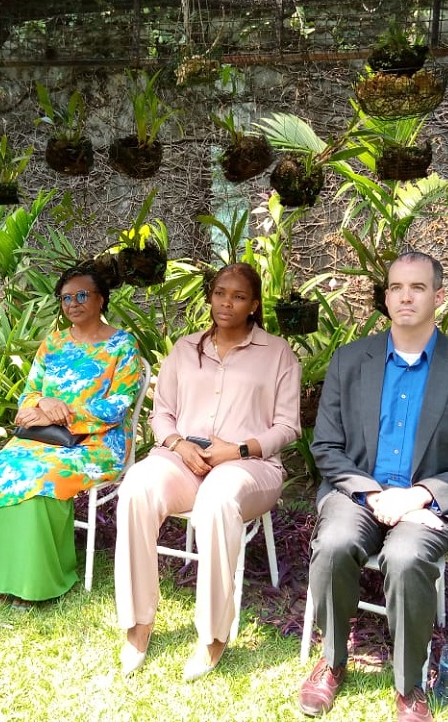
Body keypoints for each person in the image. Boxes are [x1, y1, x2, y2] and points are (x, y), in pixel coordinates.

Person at [297, 251, 448, 722]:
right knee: (333, 543)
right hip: (358, 493)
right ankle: (331, 660)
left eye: (418, 287)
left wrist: (418, 496)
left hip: (426, 501)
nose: (405, 297)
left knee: (407, 557)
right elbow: (325, 446)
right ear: (386, 297)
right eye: (396, 288)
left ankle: (409, 685)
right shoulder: (351, 361)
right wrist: (374, 496)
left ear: (440, 296)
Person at [115, 262, 301, 680]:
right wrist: (179, 444)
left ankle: (214, 634)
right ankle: (138, 621)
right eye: (220, 293)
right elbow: (161, 415)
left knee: (217, 499)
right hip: (185, 459)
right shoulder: (185, 349)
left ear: (254, 305)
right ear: (210, 296)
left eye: (238, 296)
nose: (226, 303)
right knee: (137, 487)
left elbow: (288, 426)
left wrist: (237, 449)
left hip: (250, 466)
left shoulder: (278, 354)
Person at [0, 262, 142, 606]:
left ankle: (39, 583)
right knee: (2, 469)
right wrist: (46, 400)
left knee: (43, 475)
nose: (73, 304)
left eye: (82, 295)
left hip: (98, 443)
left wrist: (68, 414)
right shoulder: (52, 344)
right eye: (66, 298)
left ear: (101, 300)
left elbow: (118, 405)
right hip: (44, 438)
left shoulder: (123, 346)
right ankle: (6, 578)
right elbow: (28, 398)